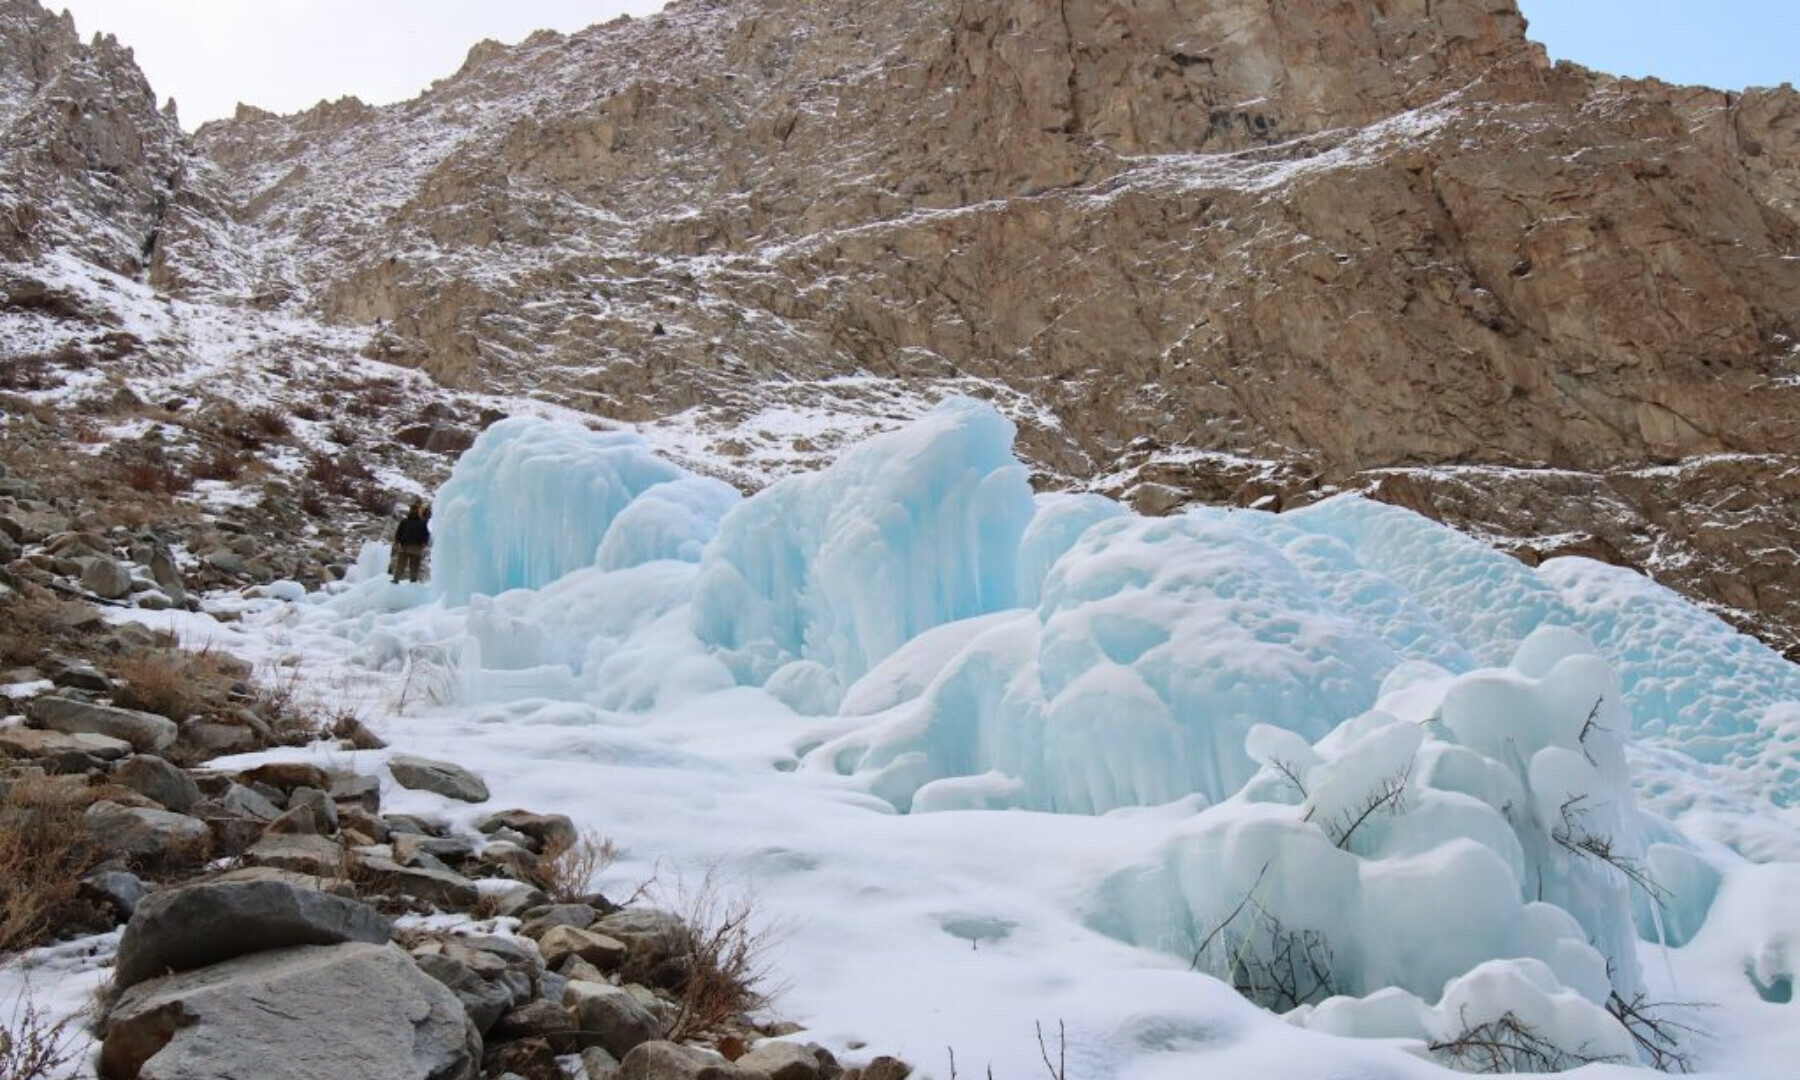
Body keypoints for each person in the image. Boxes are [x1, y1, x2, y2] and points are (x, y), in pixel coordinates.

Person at [393, 500, 431, 582]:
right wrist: (424, 543)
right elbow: (399, 532)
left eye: (414, 509)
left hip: (409, 547)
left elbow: (398, 533)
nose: (412, 511)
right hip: (410, 547)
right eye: (412, 509)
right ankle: (402, 580)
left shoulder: (407, 522)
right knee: (410, 566)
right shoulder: (420, 522)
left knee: (405, 566)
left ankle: (398, 580)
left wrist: (397, 541)